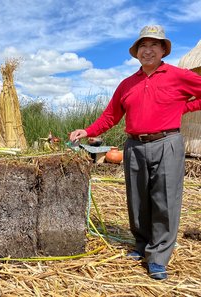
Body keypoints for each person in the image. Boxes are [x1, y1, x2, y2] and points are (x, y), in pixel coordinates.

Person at [69, 25, 201, 280]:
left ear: (163, 50)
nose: (148, 50)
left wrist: (184, 109)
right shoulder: (127, 84)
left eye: (154, 45)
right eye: (143, 45)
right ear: (137, 52)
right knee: (137, 200)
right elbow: (111, 115)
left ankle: (158, 256)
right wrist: (87, 131)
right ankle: (141, 245)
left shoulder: (178, 75)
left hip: (167, 143)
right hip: (134, 146)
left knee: (164, 201)